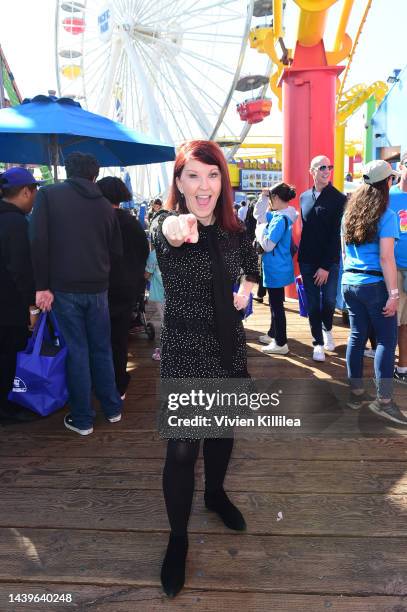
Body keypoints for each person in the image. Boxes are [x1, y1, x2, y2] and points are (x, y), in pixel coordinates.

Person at [150, 140, 258, 598]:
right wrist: (178, 225)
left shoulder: (235, 230)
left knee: (221, 432)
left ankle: (214, 494)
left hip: (228, 347)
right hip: (185, 350)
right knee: (180, 451)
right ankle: (178, 539)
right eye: (192, 175)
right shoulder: (166, 224)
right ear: (178, 182)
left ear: (222, 181)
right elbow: (169, 231)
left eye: (212, 175)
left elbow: (252, 265)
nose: (203, 185)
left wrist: (247, 288)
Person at [30, 152, 123, 436]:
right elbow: (116, 251)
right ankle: (112, 408)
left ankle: (82, 418)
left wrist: (42, 285)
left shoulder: (48, 195)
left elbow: (37, 240)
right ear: (94, 175)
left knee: (77, 350)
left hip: (64, 287)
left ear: (67, 170)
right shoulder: (107, 207)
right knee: (101, 348)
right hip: (98, 288)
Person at [342, 160, 407, 423]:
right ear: (387, 182)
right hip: (374, 284)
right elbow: (386, 259)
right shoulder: (386, 215)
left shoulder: (349, 213)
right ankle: (384, 401)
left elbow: (344, 252)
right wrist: (393, 295)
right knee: (385, 341)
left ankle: (356, 394)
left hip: (350, 283)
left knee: (357, 337)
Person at [97, 176, 149, 398]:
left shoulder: (97, 221)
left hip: (100, 287)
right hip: (127, 288)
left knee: (98, 338)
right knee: (119, 339)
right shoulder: (132, 222)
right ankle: (119, 383)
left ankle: (99, 382)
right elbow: (144, 254)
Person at [0, 168, 42, 424]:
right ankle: (5, 408)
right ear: (26, 191)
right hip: (9, 305)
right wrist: (32, 306)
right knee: (7, 356)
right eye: (35, 192)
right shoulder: (16, 223)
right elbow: (20, 269)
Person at [298, 155, 346, 362]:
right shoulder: (303, 197)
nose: (327, 170)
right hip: (307, 259)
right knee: (312, 303)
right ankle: (317, 342)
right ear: (312, 171)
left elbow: (336, 235)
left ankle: (327, 327)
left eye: (330, 167)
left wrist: (326, 266)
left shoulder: (339, 198)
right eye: (322, 167)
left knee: (328, 301)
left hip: (329, 262)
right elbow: (306, 229)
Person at [254, 182, 298, 354]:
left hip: (276, 267)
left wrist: (259, 231)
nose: (270, 202)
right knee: (275, 303)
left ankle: (281, 343)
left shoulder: (280, 219)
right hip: (277, 266)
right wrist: (263, 197)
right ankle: (274, 334)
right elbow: (259, 215)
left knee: (277, 306)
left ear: (277, 198)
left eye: (271, 198)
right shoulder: (283, 214)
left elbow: (268, 245)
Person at [389, 151, 407, 384]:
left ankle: (402, 367)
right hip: (391, 268)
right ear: (401, 166)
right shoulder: (388, 196)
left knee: (406, 323)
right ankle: (384, 367)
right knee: (389, 321)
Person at [145, 241, 165, 361]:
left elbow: (147, 274)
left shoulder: (154, 255)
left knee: (165, 322)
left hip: (160, 294)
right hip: (174, 292)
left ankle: (164, 351)